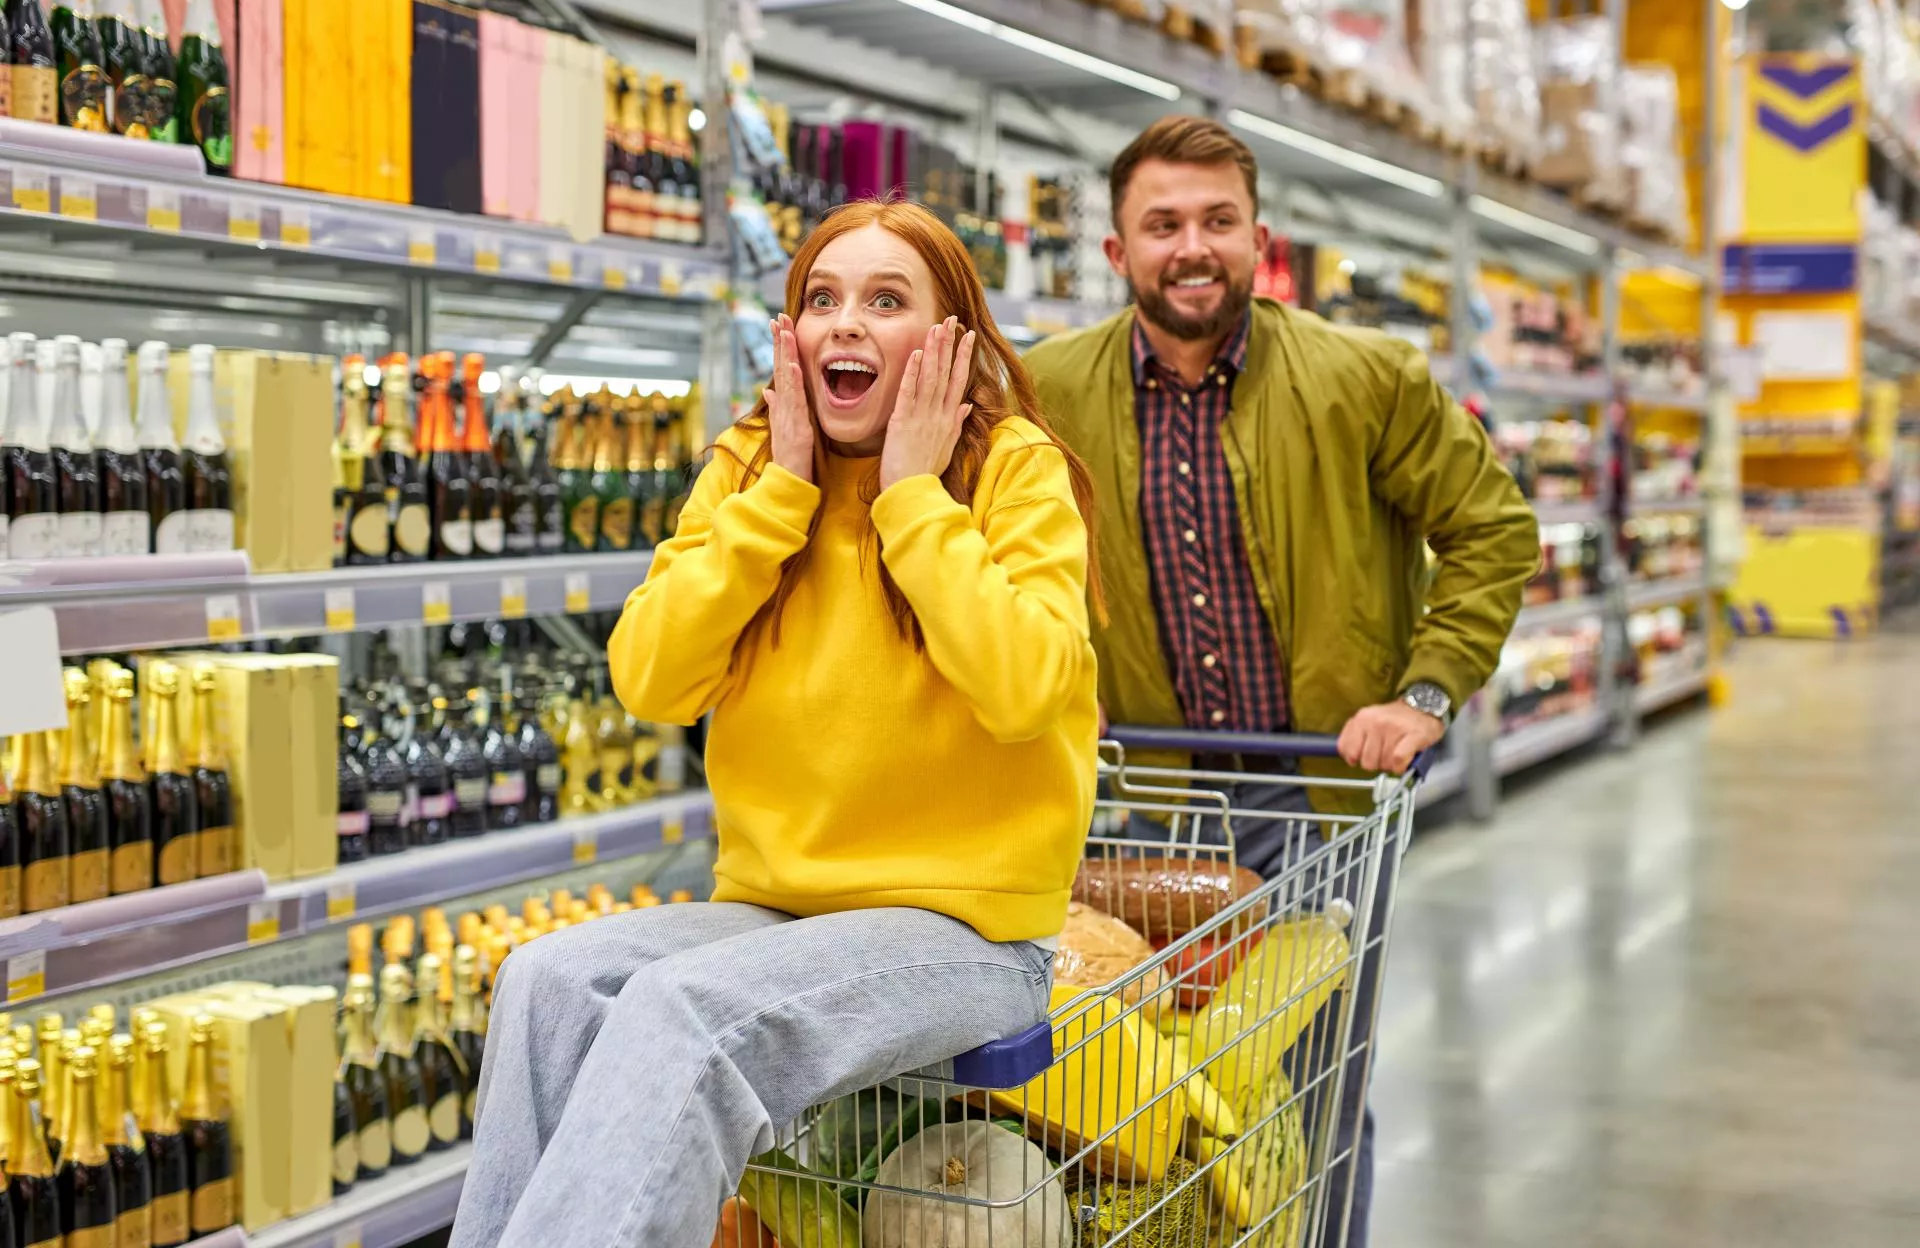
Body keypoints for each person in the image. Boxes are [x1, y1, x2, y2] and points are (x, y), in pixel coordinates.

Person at [449, 199, 1102, 1248]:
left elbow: (1028, 687)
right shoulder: (752, 470)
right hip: (782, 914)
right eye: (821, 299)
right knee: (549, 980)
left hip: (970, 933)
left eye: (887, 300)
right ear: (788, 334)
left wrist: (911, 499)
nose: (845, 322)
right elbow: (651, 679)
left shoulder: (1010, 467)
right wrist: (782, 496)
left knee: (686, 1011)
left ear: (950, 340)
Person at [1025, 116, 1538, 1247]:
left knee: (1298, 1093)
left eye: (1218, 221)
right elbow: (1004, 558)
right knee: (1137, 1096)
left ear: (1261, 241)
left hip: (1314, 801)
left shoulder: (1364, 378)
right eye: (1163, 224)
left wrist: (1427, 692)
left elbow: (1493, 530)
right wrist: (1055, 668)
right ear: (1115, 253)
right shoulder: (1047, 391)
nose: (1192, 246)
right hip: (1142, 803)